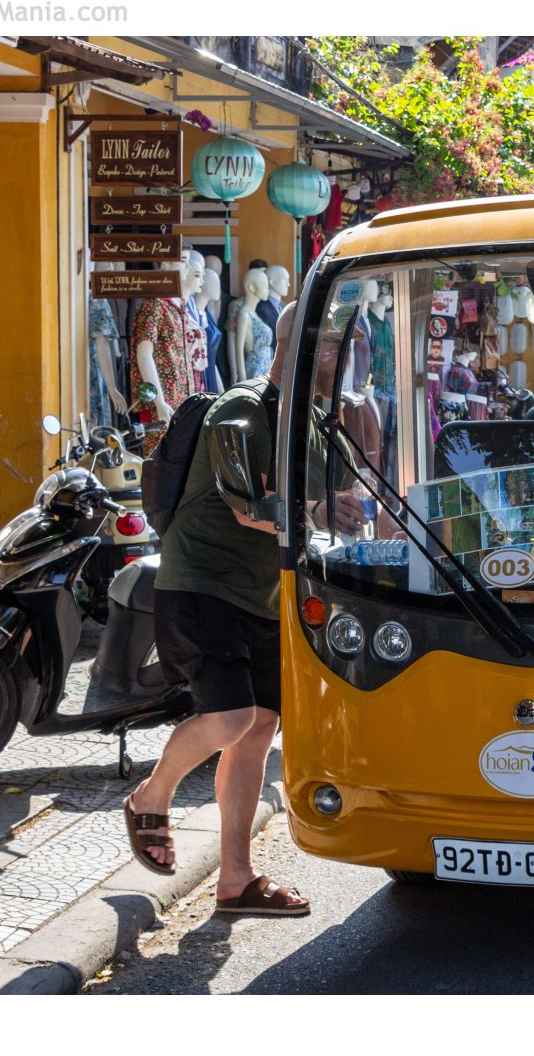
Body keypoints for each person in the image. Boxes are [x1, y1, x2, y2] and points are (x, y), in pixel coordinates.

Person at [121, 302, 366, 917]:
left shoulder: (313, 420)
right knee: (231, 720)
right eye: (338, 351)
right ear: (310, 348)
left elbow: (346, 490)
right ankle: (151, 796)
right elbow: (246, 504)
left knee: (259, 730)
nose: (344, 364)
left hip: (261, 595)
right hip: (203, 583)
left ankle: (236, 880)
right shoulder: (243, 408)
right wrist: (315, 512)